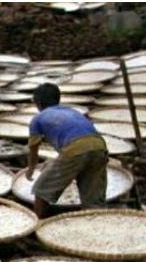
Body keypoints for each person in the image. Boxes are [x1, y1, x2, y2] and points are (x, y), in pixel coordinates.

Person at [25, 82, 108, 218]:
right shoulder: (71, 111)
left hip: (76, 148)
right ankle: (97, 229)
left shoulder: (38, 119)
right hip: (99, 145)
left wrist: (30, 170)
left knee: (41, 190)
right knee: (93, 200)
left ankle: (37, 224)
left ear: (37, 103)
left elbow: (33, 150)